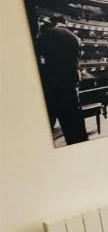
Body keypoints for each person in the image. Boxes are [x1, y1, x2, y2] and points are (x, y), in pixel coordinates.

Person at [36, 16, 88, 145]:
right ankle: (80, 140)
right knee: (74, 114)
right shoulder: (75, 37)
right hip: (72, 80)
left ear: (53, 23)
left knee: (60, 114)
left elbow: (37, 51)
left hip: (55, 81)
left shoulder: (49, 34)